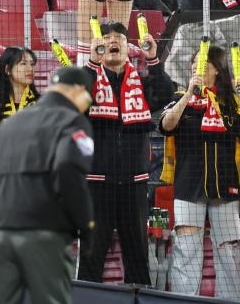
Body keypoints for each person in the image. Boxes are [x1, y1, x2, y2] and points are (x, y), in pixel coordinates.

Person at [0, 65, 95, 304]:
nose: (88, 104)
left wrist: (6, 203)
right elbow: (68, 173)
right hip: (45, 234)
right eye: (88, 97)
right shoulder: (73, 121)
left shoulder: (12, 122)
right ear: (78, 91)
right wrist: (85, 223)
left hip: (1, 235)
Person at [76, 20, 175, 286]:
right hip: (96, 183)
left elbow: (165, 93)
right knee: (92, 252)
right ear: (99, 46)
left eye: (118, 37)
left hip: (134, 182)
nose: (112, 41)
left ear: (127, 46)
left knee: (137, 253)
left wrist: (153, 59)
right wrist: (92, 66)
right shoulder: (88, 79)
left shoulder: (140, 82)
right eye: (106, 37)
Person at [158, 45, 240, 300]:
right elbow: (165, 125)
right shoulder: (181, 98)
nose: (195, 66)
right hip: (188, 186)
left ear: (217, 69)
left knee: (229, 252)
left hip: (225, 187)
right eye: (193, 63)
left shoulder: (232, 103)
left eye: (202, 63)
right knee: (186, 251)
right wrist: (188, 95)